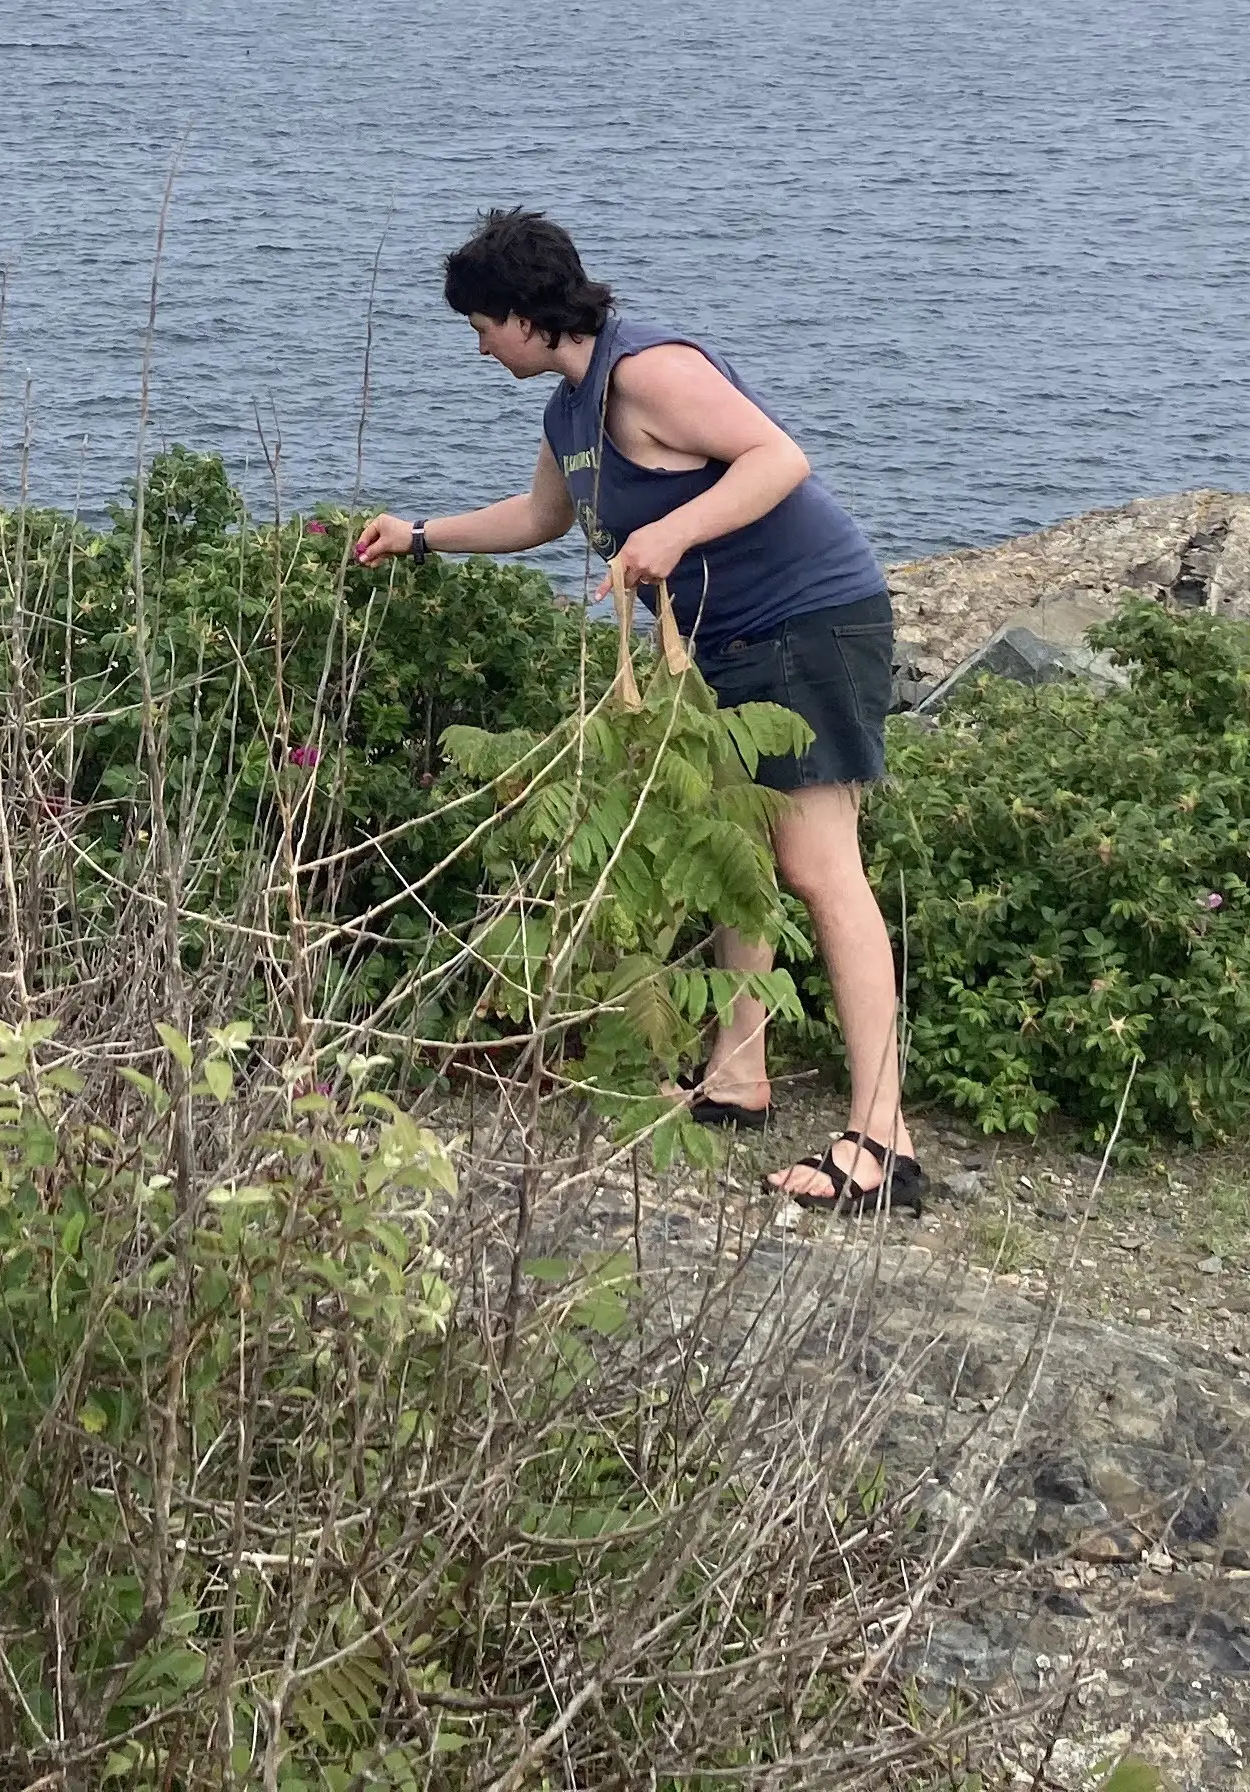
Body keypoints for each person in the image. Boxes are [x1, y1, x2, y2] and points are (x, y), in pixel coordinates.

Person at [351, 209, 924, 1215]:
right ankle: (738, 1077)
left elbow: (778, 459)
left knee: (818, 866)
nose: (478, 344)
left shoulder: (649, 371)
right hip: (722, 639)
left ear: (529, 317)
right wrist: (419, 534)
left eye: (483, 324)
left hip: (808, 621)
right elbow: (541, 519)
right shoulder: (570, 411)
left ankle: (884, 1141)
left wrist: (672, 535)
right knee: (735, 841)